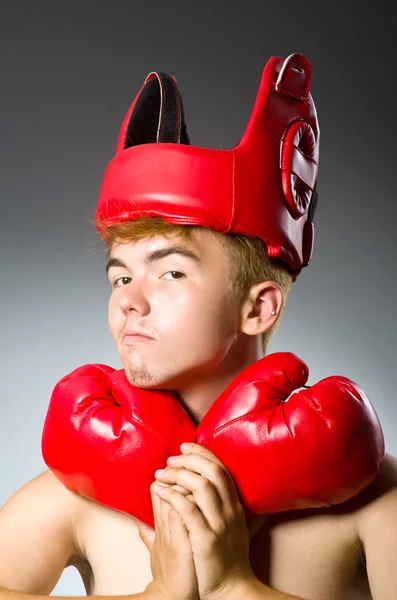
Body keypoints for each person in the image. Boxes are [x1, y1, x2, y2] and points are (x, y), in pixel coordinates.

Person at [1, 54, 396, 600]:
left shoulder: (375, 500)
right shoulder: (76, 494)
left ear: (258, 308)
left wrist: (236, 586)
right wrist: (159, 594)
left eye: (170, 272)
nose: (130, 302)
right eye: (120, 278)